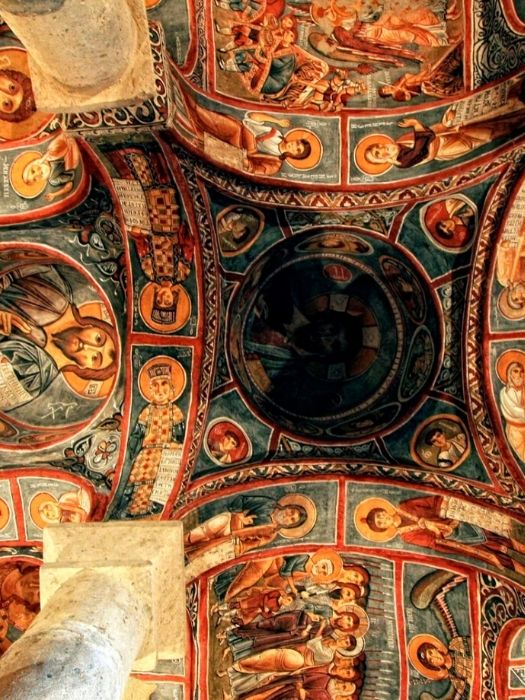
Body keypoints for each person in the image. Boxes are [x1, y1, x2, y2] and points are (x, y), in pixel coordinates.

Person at [0, 260, 118, 412]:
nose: (87, 346)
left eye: (95, 358)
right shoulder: (58, 289)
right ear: (93, 326)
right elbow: (14, 261)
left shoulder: (33, 378)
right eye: (98, 339)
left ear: (83, 367)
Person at [183, 92, 321, 176]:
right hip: (240, 135)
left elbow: (258, 169)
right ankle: (191, 108)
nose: (294, 146)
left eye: (297, 150)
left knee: (233, 130)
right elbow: (253, 117)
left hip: (240, 152)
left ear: (295, 156)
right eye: (297, 143)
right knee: (220, 122)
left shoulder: (275, 164)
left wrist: (247, 163)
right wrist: (276, 121)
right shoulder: (276, 134)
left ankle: (190, 116)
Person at [360, 105, 525, 173]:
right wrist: (416, 125)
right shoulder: (402, 161)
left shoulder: (402, 140)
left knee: (487, 120)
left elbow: (432, 132)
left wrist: (446, 123)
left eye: (378, 147)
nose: (382, 150)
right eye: (378, 155)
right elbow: (421, 151)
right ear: (383, 161)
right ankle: (518, 126)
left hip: (447, 134)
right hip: (446, 148)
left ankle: (517, 115)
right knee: (487, 135)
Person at [127, 363, 185, 515]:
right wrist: (141, 443)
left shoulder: (176, 412)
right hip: (147, 454)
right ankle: (138, 510)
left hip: (169, 455)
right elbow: (135, 436)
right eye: (155, 385)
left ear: (171, 387)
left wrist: (177, 445)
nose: (160, 390)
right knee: (139, 482)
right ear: (150, 389)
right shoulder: (147, 412)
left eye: (164, 384)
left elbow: (183, 438)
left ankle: (159, 509)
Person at [184, 493, 316, 559]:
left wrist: (239, 544)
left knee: (211, 552)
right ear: (288, 506)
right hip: (230, 522)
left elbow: (251, 545)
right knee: (208, 528)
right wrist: (240, 515)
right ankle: (183, 542)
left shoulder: (271, 533)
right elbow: (242, 500)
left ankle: (188, 556)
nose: (287, 516)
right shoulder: (269, 504)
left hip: (233, 541)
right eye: (291, 512)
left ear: (290, 525)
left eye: (292, 520)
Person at [499, 360, 525, 461]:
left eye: (522, 371)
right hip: (515, 430)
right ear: (509, 373)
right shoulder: (505, 392)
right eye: (516, 371)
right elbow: (516, 411)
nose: (519, 375)